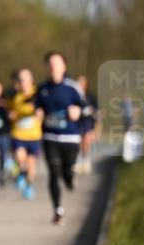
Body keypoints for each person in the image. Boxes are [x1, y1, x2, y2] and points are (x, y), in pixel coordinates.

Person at [34, 52, 84, 225]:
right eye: (50, 64)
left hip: (70, 138)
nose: (53, 67)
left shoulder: (73, 87)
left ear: (64, 66)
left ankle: (70, 177)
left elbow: (86, 107)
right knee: (53, 172)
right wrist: (38, 112)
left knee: (66, 172)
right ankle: (58, 210)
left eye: (56, 63)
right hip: (50, 137)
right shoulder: (42, 88)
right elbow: (37, 106)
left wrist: (78, 111)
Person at [7, 68, 43, 200]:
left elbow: (45, 107)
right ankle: (19, 172)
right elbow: (8, 109)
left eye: (26, 80)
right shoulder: (14, 95)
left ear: (31, 80)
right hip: (19, 134)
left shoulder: (38, 94)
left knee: (31, 167)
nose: (23, 83)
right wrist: (10, 114)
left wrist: (41, 113)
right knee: (20, 157)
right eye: (21, 80)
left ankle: (28, 184)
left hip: (34, 135)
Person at [76, 75, 100, 174]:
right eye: (78, 82)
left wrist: (91, 111)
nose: (80, 84)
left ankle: (86, 161)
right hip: (77, 122)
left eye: (82, 82)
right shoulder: (74, 95)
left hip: (88, 122)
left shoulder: (90, 96)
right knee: (79, 142)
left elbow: (97, 111)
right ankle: (78, 161)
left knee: (86, 141)